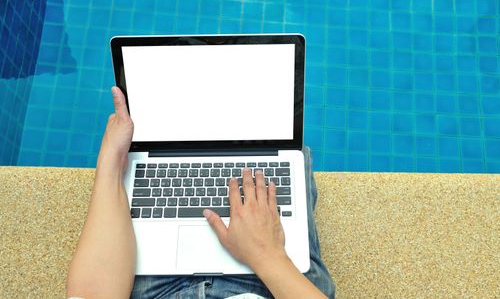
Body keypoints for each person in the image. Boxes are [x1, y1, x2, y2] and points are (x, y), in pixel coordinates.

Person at [66, 87, 336, 299]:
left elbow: (92, 295)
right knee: (292, 155)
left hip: (156, 292)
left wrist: (111, 165)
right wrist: (267, 253)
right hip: (268, 281)